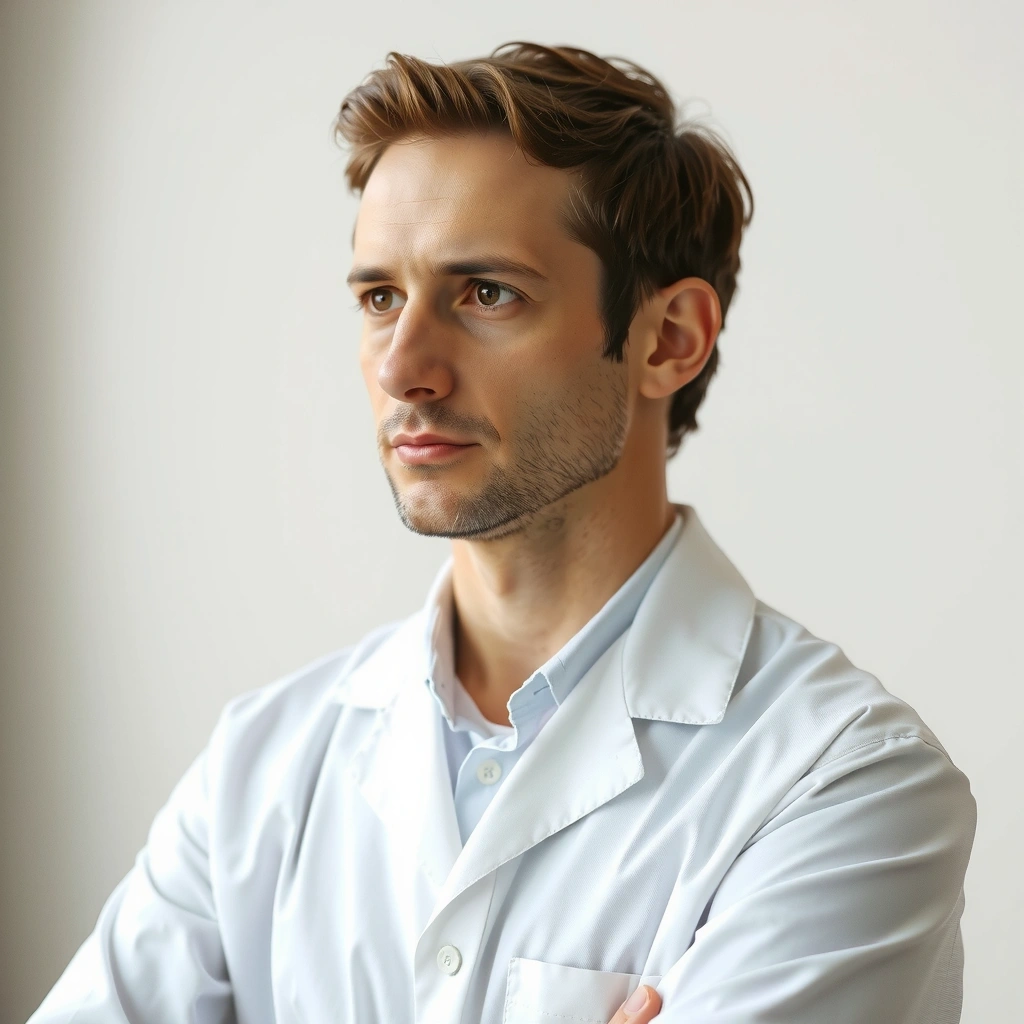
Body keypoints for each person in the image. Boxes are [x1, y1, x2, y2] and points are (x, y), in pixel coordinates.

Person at [29, 42, 976, 1024]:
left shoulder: (846, 785)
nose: (404, 369)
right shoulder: (259, 767)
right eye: (380, 298)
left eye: (485, 293)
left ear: (667, 339)